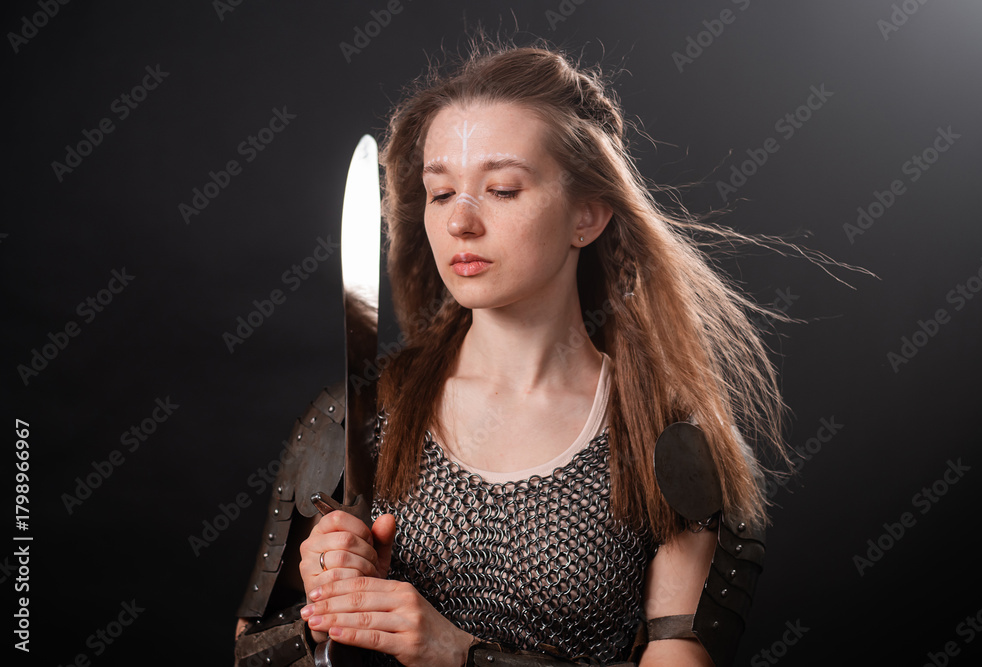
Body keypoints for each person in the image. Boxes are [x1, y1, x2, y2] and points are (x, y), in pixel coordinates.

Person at [241, 38, 787, 667]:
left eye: (501, 190)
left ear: (588, 215)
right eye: (441, 194)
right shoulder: (353, 421)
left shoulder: (669, 444)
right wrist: (327, 614)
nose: (460, 223)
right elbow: (253, 653)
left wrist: (459, 652)